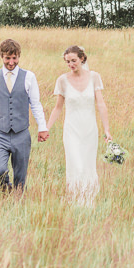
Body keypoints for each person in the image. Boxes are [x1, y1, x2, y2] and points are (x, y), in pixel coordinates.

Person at [0, 39, 49, 193]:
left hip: (21, 134)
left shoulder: (29, 77)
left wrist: (42, 127)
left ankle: (18, 201)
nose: (11, 62)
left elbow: (35, 104)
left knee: (20, 177)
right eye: (7, 58)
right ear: (1, 57)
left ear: (19, 57)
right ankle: (6, 189)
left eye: (14, 58)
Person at [46, 45, 112, 205]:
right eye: (67, 62)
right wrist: (46, 128)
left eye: (73, 60)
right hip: (72, 130)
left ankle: (89, 200)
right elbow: (58, 108)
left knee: (88, 164)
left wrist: (107, 130)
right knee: (75, 163)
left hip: (89, 129)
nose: (71, 64)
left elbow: (101, 104)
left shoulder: (94, 77)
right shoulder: (62, 80)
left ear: (82, 58)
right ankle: (75, 199)